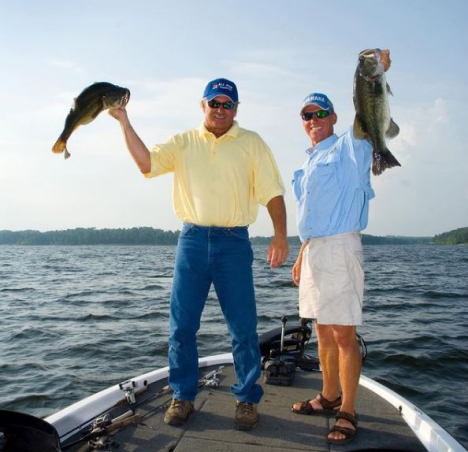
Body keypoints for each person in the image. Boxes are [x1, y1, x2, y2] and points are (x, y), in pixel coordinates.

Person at [109, 78, 289, 431]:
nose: (220, 110)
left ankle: (246, 399)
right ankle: (182, 395)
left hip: (234, 243)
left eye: (227, 104)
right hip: (191, 241)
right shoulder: (183, 142)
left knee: (243, 328)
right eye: (214, 103)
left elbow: (273, 193)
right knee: (182, 327)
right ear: (202, 105)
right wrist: (124, 122)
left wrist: (280, 235)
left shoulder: (252, 144)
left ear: (236, 108)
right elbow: (147, 165)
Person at [290, 91, 376, 445]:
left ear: (335, 117)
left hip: (341, 246)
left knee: (343, 334)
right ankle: (329, 395)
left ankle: (349, 409)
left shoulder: (349, 149)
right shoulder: (309, 161)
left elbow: (369, 119)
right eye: (307, 115)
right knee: (323, 330)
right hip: (314, 251)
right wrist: (301, 252)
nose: (314, 120)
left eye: (320, 112)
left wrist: (374, 78)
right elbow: (312, 217)